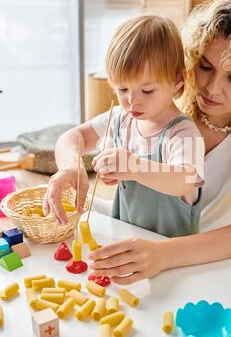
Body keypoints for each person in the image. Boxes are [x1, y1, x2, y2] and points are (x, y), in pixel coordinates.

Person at [87, 0, 231, 286]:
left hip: (216, 250)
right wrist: (70, 167)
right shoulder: (164, 95)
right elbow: (82, 135)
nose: (211, 89)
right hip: (147, 230)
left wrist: (165, 254)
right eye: (206, 67)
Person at [43, 15, 205, 238]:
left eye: (147, 91)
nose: (132, 101)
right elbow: (73, 136)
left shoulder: (183, 133)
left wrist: (134, 167)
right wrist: (71, 166)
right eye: (122, 89)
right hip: (125, 241)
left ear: (178, 81)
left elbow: (186, 180)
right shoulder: (121, 119)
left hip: (172, 256)